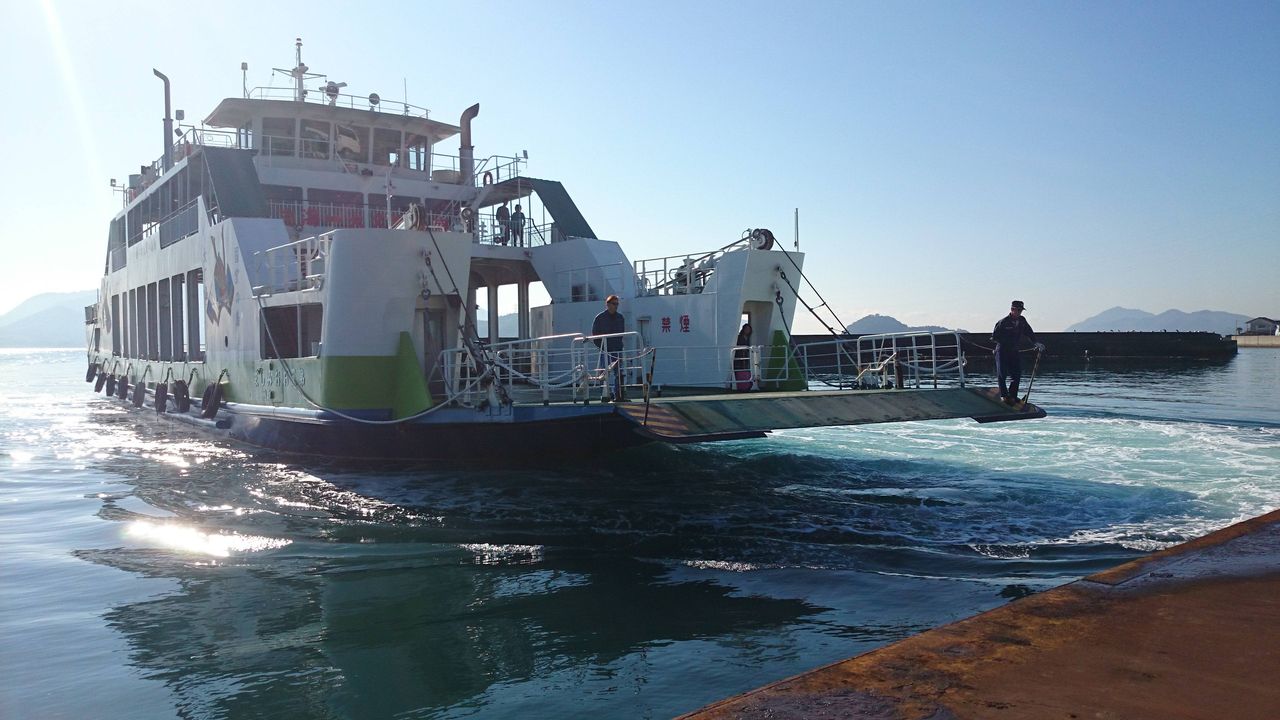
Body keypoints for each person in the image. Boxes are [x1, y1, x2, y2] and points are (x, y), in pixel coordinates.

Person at [991, 300, 1045, 404]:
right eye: (1018, 310)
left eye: (1021, 310)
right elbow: (994, 337)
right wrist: (1006, 342)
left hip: (1014, 351)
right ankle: (1004, 395)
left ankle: (1013, 395)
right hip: (1002, 350)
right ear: (1012, 309)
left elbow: (1029, 332)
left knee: (1016, 374)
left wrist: (1036, 342)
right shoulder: (1003, 322)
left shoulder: (1022, 320)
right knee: (1002, 373)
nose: (1020, 312)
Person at [591, 295, 626, 400]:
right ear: (608, 304)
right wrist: (602, 347)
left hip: (617, 349)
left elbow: (621, 333)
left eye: (617, 304)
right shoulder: (600, 318)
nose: (616, 306)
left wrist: (618, 344)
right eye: (614, 304)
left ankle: (618, 395)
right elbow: (595, 335)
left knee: (619, 372)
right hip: (605, 350)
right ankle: (605, 395)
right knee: (604, 372)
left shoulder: (620, 318)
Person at [733, 323, 753, 391]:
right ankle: (740, 385)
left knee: (745, 369)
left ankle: (745, 385)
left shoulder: (747, 338)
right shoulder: (740, 337)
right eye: (746, 329)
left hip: (745, 356)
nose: (747, 330)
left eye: (749, 329)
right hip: (739, 356)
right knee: (739, 369)